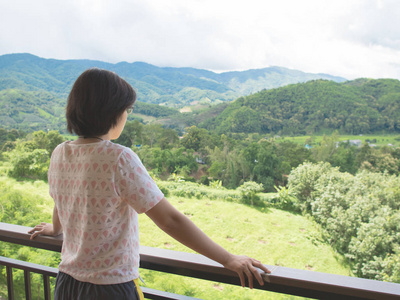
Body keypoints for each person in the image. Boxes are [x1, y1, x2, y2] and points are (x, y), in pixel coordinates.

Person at [28, 68, 271, 300]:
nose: (126, 116)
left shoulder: (60, 152)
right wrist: (228, 259)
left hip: (68, 283)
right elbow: (169, 220)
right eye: (126, 110)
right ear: (111, 112)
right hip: (109, 288)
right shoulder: (119, 158)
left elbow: (63, 199)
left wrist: (55, 229)